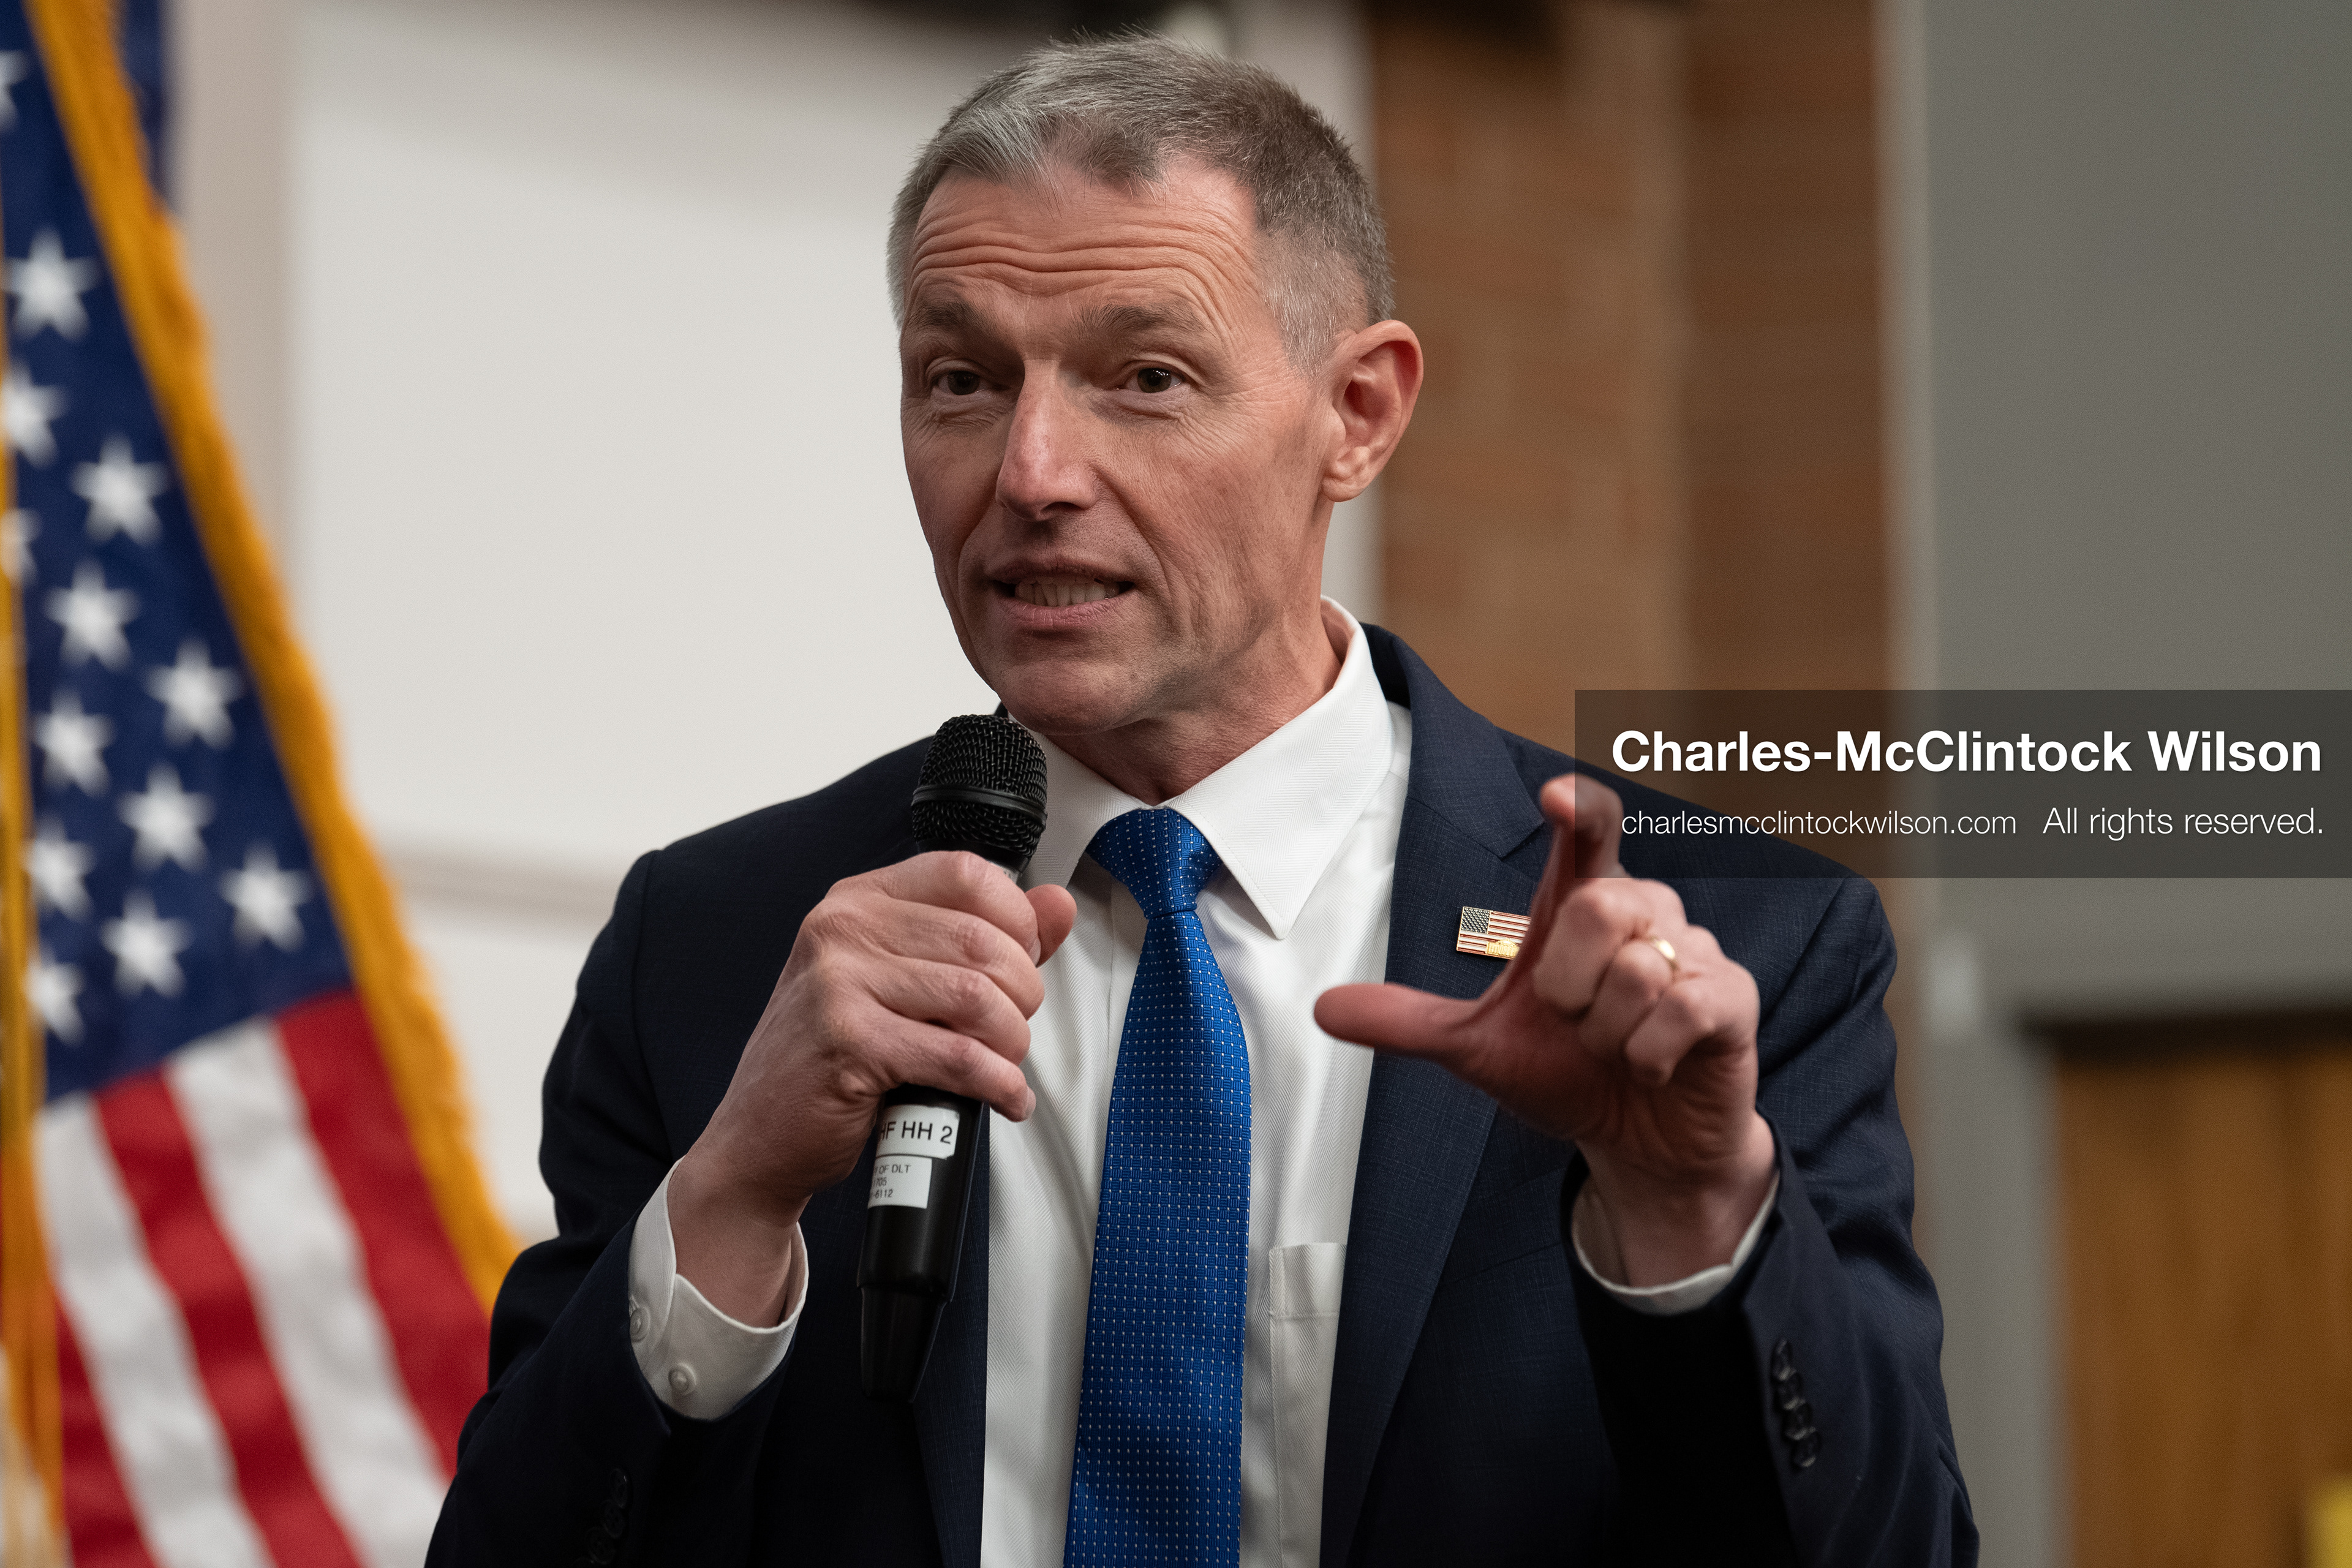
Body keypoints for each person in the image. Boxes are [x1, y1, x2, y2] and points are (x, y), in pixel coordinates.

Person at [429, 36, 1973, 1568]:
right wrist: (731, 1200)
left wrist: (1693, 1214)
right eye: (961, 379)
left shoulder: (1733, 948)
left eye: (1145, 379)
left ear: (1357, 413)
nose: (1032, 471)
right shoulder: (715, 948)